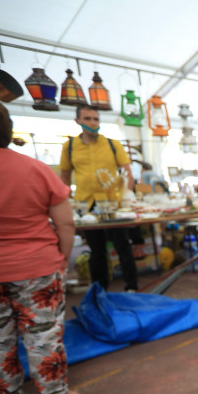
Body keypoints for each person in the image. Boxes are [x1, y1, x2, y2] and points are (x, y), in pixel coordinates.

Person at [0, 98, 84, 394]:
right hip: (37, 267)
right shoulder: (34, 168)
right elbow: (66, 223)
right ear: (8, 129)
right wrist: (62, 259)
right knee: (43, 336)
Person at [59, 104, 138, 291]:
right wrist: (66, 202)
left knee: (123, 246)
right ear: (77, 121)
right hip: (86, 205)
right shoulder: (69, 147)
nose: (92, 123)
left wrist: (127, 196)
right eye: (87, 119)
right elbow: (64, 177)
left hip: (112, 203)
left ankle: (132, 287)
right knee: (97, 251)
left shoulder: (112, 145)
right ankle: (99, 290)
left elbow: (128, 173)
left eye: (95, 119)